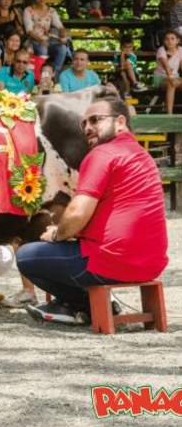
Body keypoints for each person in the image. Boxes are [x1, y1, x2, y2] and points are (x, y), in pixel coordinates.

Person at [18, 95, 168, 325]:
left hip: (111, 262)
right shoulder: (141, 155)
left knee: (26, 255)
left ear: (120, 122)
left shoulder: (101, 154)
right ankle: (74, 305)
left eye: (96, 120)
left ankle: (82, 305)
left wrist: (57, 234)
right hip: (152, 263)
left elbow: (78, 213)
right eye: (84, 123)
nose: (87, 128)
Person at [23, 0, 68, 76]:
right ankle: (40, 77)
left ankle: (53, 76)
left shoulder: (51, 11)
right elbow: (29, 30)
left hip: (48, 41)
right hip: (33, 41)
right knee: (43, 49)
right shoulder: (28, 10)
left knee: (62, 49)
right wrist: (40, 40)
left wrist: (63, 34)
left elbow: (60, 26)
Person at [153, 30, 182, 114]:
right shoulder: (161, 50)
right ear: (164, 41)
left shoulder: (181, 50)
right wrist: (172, 78)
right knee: (171, 82)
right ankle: (169, 115)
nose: (169, 41)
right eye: (167, 39)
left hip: (175, 78)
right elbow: (166, 67)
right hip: (160, 78)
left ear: (177, 41)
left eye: (172, 39)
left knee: (173, 81)